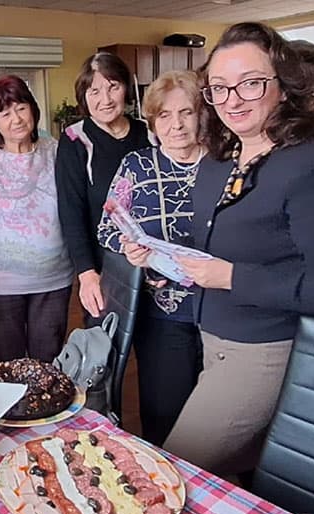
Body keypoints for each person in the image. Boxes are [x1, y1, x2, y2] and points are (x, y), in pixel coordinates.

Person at [161, 22, 314, 477]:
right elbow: (214, 242)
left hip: (259, 349)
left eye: (251, 83)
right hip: (210, 337)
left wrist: (229, 276)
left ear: (284, 86)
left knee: (175, 471)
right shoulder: (219, 158)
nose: (234, 100)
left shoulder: (306, 164)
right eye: (219, 88)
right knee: (236, 479)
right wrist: (159, 253)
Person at [97, 70, 205, 446]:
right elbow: (107, 228)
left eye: (186, 112)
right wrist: (129, 249)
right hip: (161, 313)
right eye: (165, 115)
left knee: (222, 418)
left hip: (223, 313)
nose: (176, 125)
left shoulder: (225, 165)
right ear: (153, 121)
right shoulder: (136, 165)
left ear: (201, 114)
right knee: (164, 412)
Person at [0, 76, 73, 363]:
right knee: (8, 365)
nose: (16, 119)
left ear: (33, 110)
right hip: (1, 287)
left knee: (48, 364)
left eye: (21, 108)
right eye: (5, 113)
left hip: (53, 282)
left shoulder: (57, 151)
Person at [56, 53, 151, 323]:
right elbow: (71, 212)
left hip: (153, 266)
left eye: (113, 86)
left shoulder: (150, 134)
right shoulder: (76, 140)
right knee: (105, 356)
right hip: (104, 269)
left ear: (127, 89)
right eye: (94, 90)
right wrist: (86, 274)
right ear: (83, 96)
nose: (105, 99)